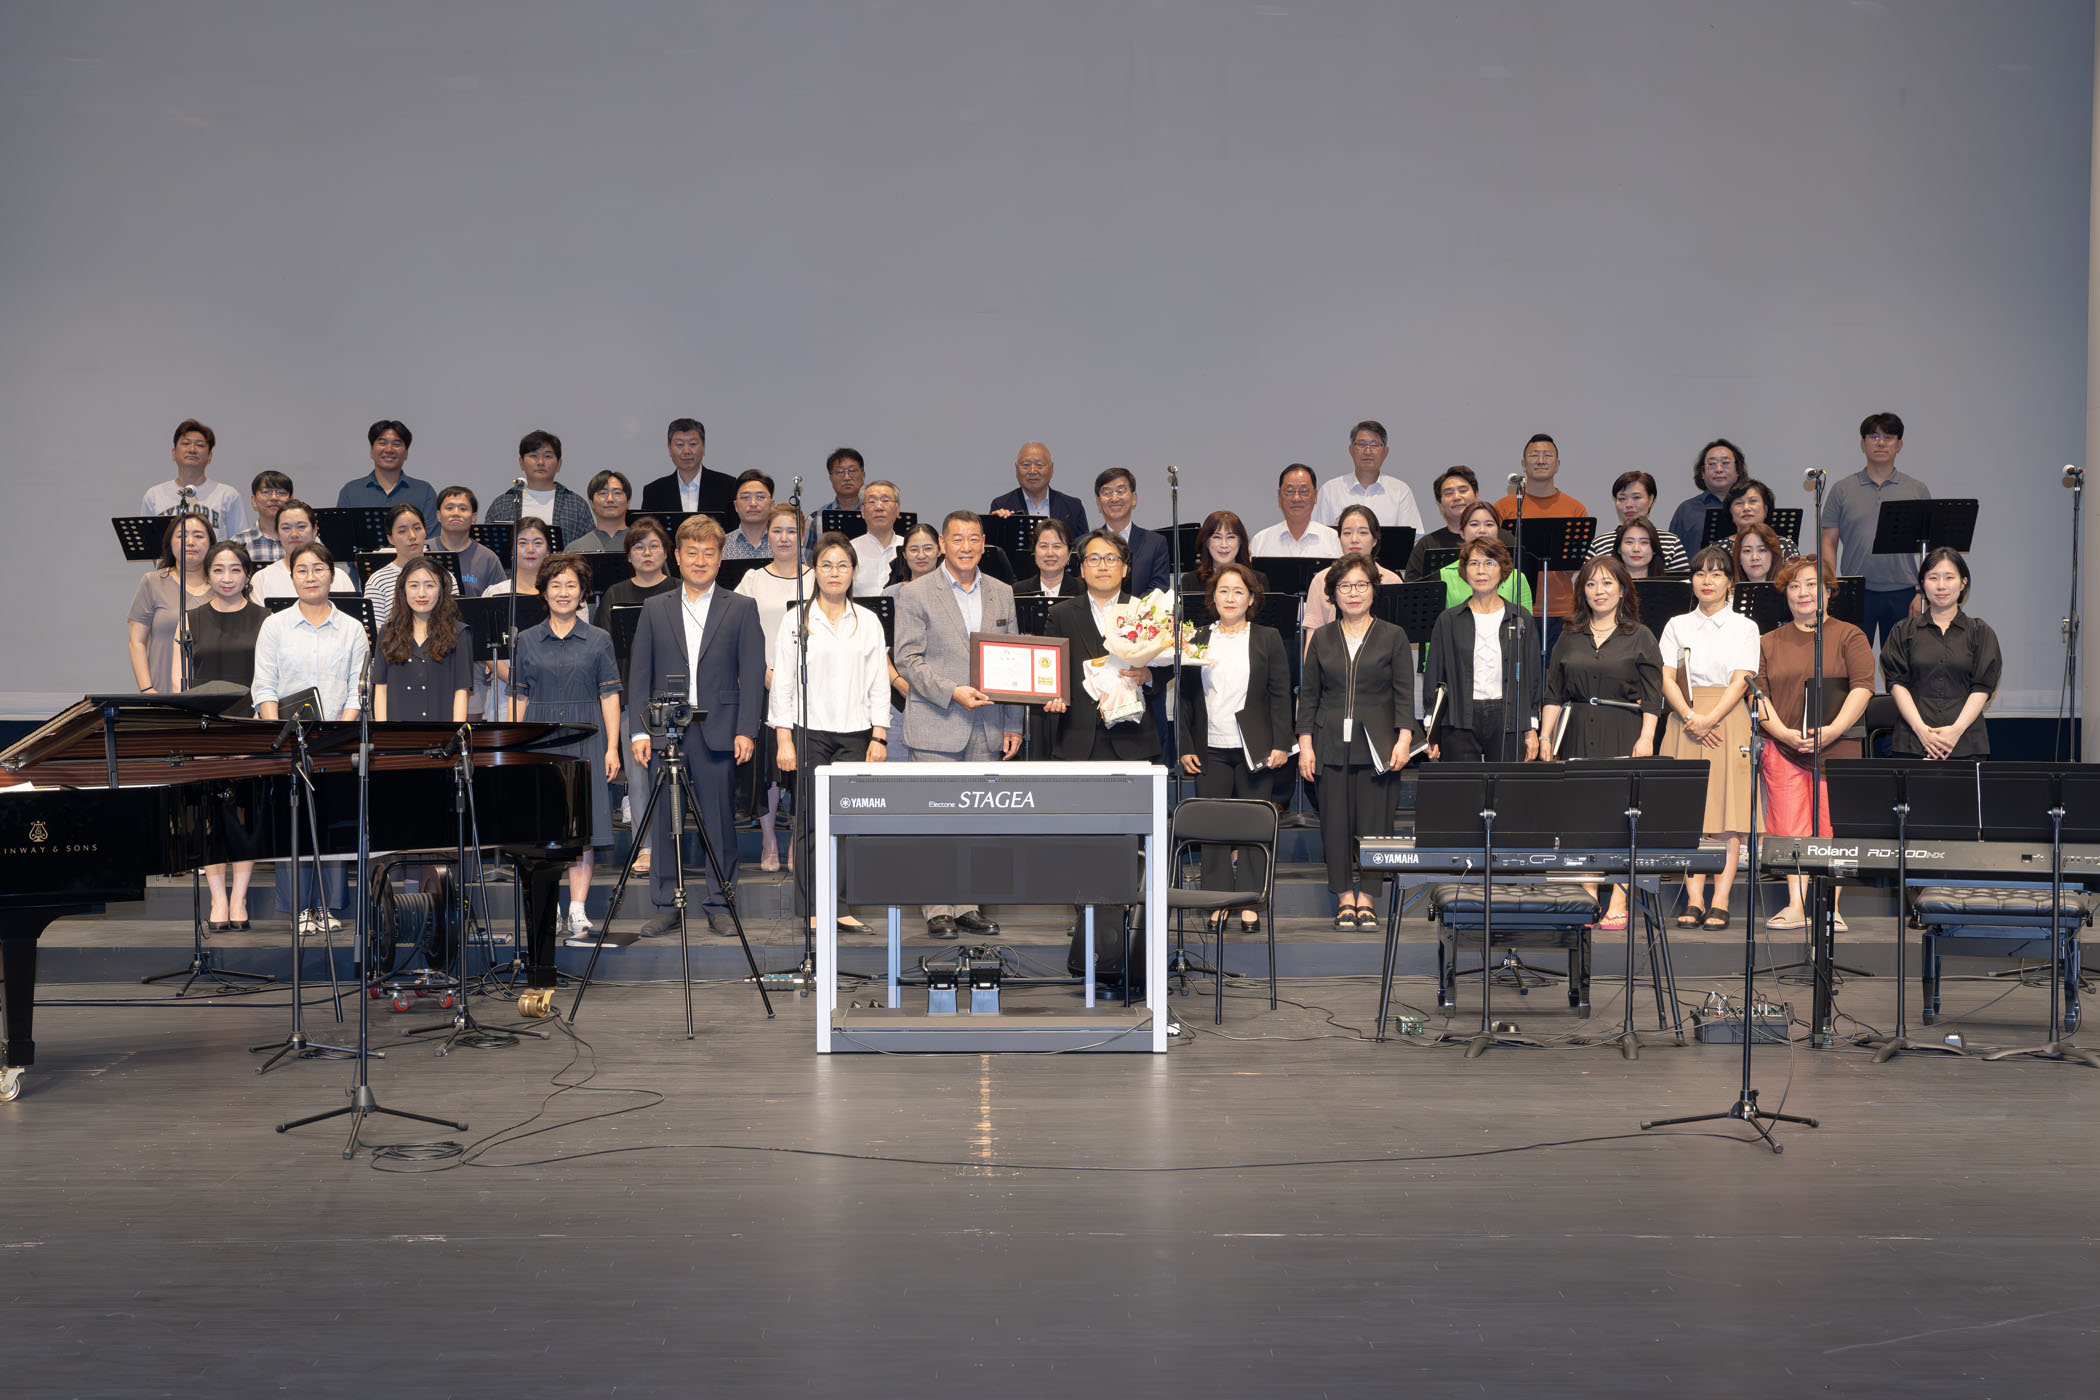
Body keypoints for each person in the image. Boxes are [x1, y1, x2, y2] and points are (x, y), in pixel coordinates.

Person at [627, 516, 766, 938]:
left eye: (709, 553)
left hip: (719, 729)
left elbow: (752, 672)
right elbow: (639, 673)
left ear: (721, 558)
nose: (700, 560)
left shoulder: (741, 607)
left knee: (719, 823)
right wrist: (639, 731)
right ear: (677, 556)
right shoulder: (655, 608)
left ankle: (720, 902)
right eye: (692, 552)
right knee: (666, 821)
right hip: (665, 731)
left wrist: (747, 730)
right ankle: (666, 903)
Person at [893, 510, 1023, 938]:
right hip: (936, 722)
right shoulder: (916, 593)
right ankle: (937, 909)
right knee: (935, 824)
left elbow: (1014, 661)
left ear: (984, 544)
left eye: (974, 539)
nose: (966, 547)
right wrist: (952, 691)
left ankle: (967, 905)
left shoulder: (1002, 592)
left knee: (976, 823)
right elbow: (907, 659)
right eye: (957, 539)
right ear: (943, 545)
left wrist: (1014, 723)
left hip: (987, 725)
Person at [772, 533, 890, 929]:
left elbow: (879, 682)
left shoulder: (868, 621)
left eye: (842, 565)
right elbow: (783, 682)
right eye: (826, 565)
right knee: (809, 823)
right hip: (810, 733)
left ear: (853, 571)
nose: (834, 572)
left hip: (856, 734)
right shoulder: (796, 620)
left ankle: (840, 907)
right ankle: (810, 910)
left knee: (847, 824)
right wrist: (784, 738)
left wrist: (879, 735)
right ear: (814, 571)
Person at [1539, 555, 1664, 928]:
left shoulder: (1640, 635)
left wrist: (1646, 738)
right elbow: (1553, 692)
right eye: (1591, 584)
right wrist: (1546, 737)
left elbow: (1653, 695)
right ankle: (1588, 895)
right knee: (1581, 817)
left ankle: (1620, 897)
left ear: (1623, 589)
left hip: (1623, 729)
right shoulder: (1569, 635)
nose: (1599, 591)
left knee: (1620, 817)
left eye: (1608, 583)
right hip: (1575, 730)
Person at [252, 542, 370, 931]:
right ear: (292, 578)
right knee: (293, 821)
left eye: (319, 568)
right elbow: (264, 685)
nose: (311, 576)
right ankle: (300, 908)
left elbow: (356, 689)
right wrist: (277, 735)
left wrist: (341, 731)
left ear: (332, 575)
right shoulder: (275, 626)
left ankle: (327, 907)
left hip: (335, 737)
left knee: (331, 821)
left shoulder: (352, 628)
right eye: (302, 570)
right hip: (288, 737)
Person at [1755, 557, 1876, 930]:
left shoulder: (1849, 635)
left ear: (1827, 591)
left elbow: (1863, 687)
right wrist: (1780, 732)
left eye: (1811, 584)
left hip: (1837, 747)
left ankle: (1829, 908)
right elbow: (1758, 695)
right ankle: (1795, 905)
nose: (1802, 593)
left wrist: (1834, 729)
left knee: (1830, 828)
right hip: (1785, 747)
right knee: (1789, 829)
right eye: (1794, 586)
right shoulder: (1768, 642)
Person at [1296, 554, 1416, 928]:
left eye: (1361, 585)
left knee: (1376, 824)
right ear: (1333, 593)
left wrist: (1405, 738)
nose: (1353, 592)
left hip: (1379, 744)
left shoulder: (1393, 635)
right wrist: (1305, 744)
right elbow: (1309, 695)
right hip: (1328, 741)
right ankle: (1344, 897)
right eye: (1345, 586)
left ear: (1373, 590)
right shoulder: (1322, 638)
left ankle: (1368, 898)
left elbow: (1404, 693)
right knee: (1334, 825)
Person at [511, 554, 622, 944]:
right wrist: (514, 747)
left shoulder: (599, 639)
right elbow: (519, 698)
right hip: (540, 740)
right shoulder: (526, 639)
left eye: (571, 585)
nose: (563, 592)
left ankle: (577, 907)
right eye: (555, 585)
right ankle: (550, 906)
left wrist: (612, 747)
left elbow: (610, 696)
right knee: (546, 828)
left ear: (582, 593)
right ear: (543, 592)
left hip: (586, 737)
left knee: (582, 829)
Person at [1178, 562, 1291, 932]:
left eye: (1238, 591)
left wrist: (1281, 743)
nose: (1230, 598)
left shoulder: (1267, 637)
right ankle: (1217, 900)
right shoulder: (1196, 638)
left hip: (1255, 746)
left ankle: (1250, 901)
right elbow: (1185, 697)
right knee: (1213, 827)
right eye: (1223, 590)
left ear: (1251, 599)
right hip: (1209, 745)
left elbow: (1280, 694)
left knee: (1253, 826)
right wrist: (1185, 745)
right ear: (1212, 597)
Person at [1657, 547, 1760, 929]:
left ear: (1730, 581)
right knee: (1691, 814)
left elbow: (1741, 680)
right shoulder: (1677, 624)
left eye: (1716, 573)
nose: (1707, 580)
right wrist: (1690, 717)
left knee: (1728, 814)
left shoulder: (1744, 627)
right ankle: (1694, 898)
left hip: (1727, 718)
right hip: (1684, 716)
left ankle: (1721, 898)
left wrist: (1710, 718)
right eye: (1700, 573)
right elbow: (1666, 677)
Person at [188, 540, 270, 930]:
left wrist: (258, 716)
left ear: (247, 574)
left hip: (248, 724)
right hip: (204, 727)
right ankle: (217, 898)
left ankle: (239, 897)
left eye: (235, 569)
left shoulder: (265, 618)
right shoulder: (190, 619)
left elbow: (270, 674)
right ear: (208, 574)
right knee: (210, 815)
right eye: (218, 570)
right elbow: (179, 679)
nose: (227, 577)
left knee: (243, 813)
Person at [736, 504, 816, 872]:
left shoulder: (817, 578)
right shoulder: (753, 579)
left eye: (792, 531)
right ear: (767, 535)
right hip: (764, 684)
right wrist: (762, 672)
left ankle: (797, 841)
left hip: (810, 687)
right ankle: (769, 840)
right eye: (777, 531)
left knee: (802, 767)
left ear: (803, 535)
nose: (784, 538)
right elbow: (735, 632)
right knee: (767, 768)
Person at [594, 517, 678, 866]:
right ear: (628, 555)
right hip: (632, 693)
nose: (647, 553)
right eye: (639, 547)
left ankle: (673, 844)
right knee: (639, 775)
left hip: (676, 696)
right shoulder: (615, 594)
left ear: (666, 553)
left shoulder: (680, 588)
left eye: (654, 546)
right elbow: (603, 648)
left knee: (676, 773)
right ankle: (644, 846)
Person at [1422, 537, 1542, 763]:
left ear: (1502, 569)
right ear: (1464, 570)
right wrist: (1431, 725)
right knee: (1462, 784)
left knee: (1507, 783)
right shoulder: (1449, 619)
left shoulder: (1520, 618)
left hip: (1508, 716)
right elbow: (1435, 674)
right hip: (1459, 716)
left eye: (1490, 563)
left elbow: (1532, 675)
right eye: (1474, 563)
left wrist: (1531, 727)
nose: (1481, 571)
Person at [1822, 412, 1932, 653]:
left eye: (1888, 437)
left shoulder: (1916, 489)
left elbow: (1929, 548)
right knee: (1850, 663)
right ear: (1863, 444)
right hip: (1855, 591)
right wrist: (1830, 586)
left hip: (1904, 591)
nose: (1881, 443)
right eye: (1874, 437)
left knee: (1902, 663)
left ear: (1899, 445)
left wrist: (1922, 592)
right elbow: (1828, 543)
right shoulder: (1842, 490)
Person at [1882, 547, 2002, 760]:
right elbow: (1897, 683)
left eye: (1949, 577)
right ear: (1922, 584)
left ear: (1963, 583)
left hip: (1966, 744)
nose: (1941, 586)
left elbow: (1982, 687)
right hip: (1912, 743)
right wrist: (1922, 731)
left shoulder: (1981, 632)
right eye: (1933, 578)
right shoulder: (1903, 631)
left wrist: (1956, 731)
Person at [1492, 434, 1591, 647]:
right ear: (1523, 464)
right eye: (1534, 455)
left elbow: (1575, 563)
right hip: (1514, 605)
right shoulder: (1503, 508)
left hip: (1562, 608)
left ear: (1557, 465)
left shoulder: (1575, 508)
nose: (1540, 461)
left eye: (1547, 455)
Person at [373, 556, 472, 724]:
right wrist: (384, 733)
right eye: (413, 585)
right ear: (403, 589)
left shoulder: (460, 633)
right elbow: (381, 688)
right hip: (396, 733)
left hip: (441, 733)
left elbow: (461, 692)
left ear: (442, 590)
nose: (421, 593)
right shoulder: (387, 632)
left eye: (430, 585)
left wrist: (455, 734)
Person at [127, 513, 216, 695]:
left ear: (211, 543)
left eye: (198, 536)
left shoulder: (222, 587)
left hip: (211, 695)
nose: (190, 542)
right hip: (161, 692)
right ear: (169, 542)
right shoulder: (153, 582)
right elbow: (136, 641)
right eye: (182, 536)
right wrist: (147, 688)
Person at [881, 521, 945, 757]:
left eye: (928, 548)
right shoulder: (890, 595)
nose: (921, 555)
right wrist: (899, 683)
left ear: (939, 550)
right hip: (897, 699)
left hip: (940, 699)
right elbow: (880, 650)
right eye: (914, 549)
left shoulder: (953, 593)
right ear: (904, 554)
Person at [481, 517, 552, 721]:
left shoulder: (561, 593)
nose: (530, 549)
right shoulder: (495, 593)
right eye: (522, 543)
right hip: (506, 692)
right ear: (512, 551)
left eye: (537, 543)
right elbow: (486, 647)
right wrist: (513, 679)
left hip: (553, 690)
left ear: (548, 551)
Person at [1303, 505, 1402, 634]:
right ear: (1339, 538)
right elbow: (1312, 637)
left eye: (1363, 533)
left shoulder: (1392, 581)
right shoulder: (1321, 580)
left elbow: (1400, 637)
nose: (1354, 540)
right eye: (1347, 533)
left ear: (1374, 540)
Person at [142, 419, 249, 537]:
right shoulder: (154, 496)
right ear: (174, 453)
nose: (192, 449)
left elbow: (240, 543)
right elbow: (147, 542)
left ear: (209, 456)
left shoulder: (228, 496)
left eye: (200, 445)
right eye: (185, 444)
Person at [1313, 420, 1424, 532]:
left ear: (1385, 452)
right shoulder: (1329, 491)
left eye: (1374, 445)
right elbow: (1319, 535)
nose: (1367, 451)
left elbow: (1411, 538)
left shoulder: (1401, 491)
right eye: (1361, 444)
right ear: (1351, 449)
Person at [488, 430, 594, 545]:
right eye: (533, 456)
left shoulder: (576, 505)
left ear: (559, 464)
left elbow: (588, 547)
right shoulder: (502, 504)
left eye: (547, 456)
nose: (540, 462)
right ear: (521, 462)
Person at [336, 420, 438, 529]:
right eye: (382, 443)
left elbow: (430, 536)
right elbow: (341, 533)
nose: (389, 449)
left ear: (406, 453)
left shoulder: (424, 492)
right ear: (371, 450)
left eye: (396, 444)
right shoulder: (351, 492)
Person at [250, 500, 358, 599]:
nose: (294, 534)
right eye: (286, 528)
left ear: (315, 530)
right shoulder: (262, 579)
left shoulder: (339, 578)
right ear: (278, 533)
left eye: (301, 526)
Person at [1587, 472, 1690, 573]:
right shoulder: (1599, 544)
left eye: (1636, 497)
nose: (1629, 504)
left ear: (1651, 499)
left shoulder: (1671, 543)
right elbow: (1587, 581)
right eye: (1622, 498)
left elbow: (1682, 583)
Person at [1437, 502, 1533, 610]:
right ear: (1462, 532)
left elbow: (1525, 619)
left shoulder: (1516, 577)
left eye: (1489, 524)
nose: (1482, 530)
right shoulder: (1444, 576)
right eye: (1474, 524)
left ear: (1498, 532)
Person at [1092, 467, 1171, 595]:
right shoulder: (1086, 543)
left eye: (1120, 491)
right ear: (1098, 502)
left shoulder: (1155, 543)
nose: (1114, 498)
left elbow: (1159, 590)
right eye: (1107, 493)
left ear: (1134, 498)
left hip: (1141, 608)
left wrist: (1131, 607)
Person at [989, 441, 1090, 539]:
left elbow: (1083, 546)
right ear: (1016, 469)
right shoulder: (1001, 505)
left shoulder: (1073, 507)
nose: (1032, 471)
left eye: (1039, 465)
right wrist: (997, 524)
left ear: (1051, 469)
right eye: (1026, 465)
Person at [639, 418, 736, 516]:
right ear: (669, 449)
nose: (687, 451)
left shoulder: (727, 486)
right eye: (680, 445)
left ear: (703, 447)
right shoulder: (654, 491)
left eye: (693, 444)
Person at [1667, 438, 1748, 549]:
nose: (1719, 469)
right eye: (1712, 464)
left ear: (1738, 470)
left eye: (1725, 463)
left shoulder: (1749, 508)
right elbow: (1671, 553)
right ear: (1702, 473)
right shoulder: (1687, 510)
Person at [429, 486, 509, 596]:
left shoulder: (488, 559)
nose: (455, 513)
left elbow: (501, 600)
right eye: (449, 508)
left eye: (463, 509)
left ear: (474, 517)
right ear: (439, 515)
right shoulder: (423, 550)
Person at [1250, 464, 1343, 558]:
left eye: (1304, 491)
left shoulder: (1335, 541)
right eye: (1289, 491)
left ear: (1315, 496)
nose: (1296, 498)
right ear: (1279, 496)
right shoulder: (1260, 542)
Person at [1405, 466, 1480, 578]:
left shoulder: (1500, 538)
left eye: (1463, 491)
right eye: (1449, 493)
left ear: (1476, 496)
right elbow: (1412, 587)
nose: (1457, 497)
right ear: (1440, 504)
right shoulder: (1427, 545)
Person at [363, 502, 428, 629]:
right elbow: (376, 631)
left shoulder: (444, 576)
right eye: (402, 531)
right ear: (390, 538)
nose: (412, 536)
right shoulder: (378, 580)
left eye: (417, 528)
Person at [1179, 510, 1267, 601]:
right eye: (1217, 537)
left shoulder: (1258, 580)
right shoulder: (1189, 581)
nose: (1224, 545)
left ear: (1240, 542)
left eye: (1230, 537)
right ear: (1206, 542)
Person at [1713, 478, 1799, 559]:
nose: (1746, 508)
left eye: (1752, 501)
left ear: (1766, 509)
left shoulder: (1785, 546)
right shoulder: (1718, 550)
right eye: (1739, 503)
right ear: (1730, 512)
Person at [849, 479, 905, 595]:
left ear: (897, 509)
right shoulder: (849, 550)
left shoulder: (909, 548)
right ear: (862, 510)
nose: (879, 507)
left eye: (885, 500)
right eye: (872, 501)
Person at [230, 470, 294, 567]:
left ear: (290, 500)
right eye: (266, 492)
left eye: (281, 493)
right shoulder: (238, 542)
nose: (274, 498)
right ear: (254, 501)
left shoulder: (303, 540)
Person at [566, 470, 634, 554]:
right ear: (591, 503)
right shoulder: (574, 550)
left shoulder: (641, 543)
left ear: (628, 501)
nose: (610, 499)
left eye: (617, 493)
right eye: (603, 493)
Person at [1012, 516, 1074, 598]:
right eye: (1044, 546)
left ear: (1069, 553)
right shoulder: (1017, 592)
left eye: (1057, 546)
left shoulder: (1084, 591)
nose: (1050, 553)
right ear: (1034, 551)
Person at [723, 470, 775, 560]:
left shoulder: (786, 545)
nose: (753, 504)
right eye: (746, 497)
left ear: (771, 504)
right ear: (736, 506)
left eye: (760, 497)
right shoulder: (721, 546)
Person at [1611, 516, 1672, 580]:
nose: (1636, 549)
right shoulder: (1606, 585)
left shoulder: (1669, 585)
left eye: (1644, 542)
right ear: (1619, 548)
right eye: (1629, 542)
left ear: (1654, 548)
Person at [1732, 522, 1784, 586]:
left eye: (1762, 550)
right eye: (1747, 551)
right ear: (1738, 557)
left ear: (1773, 555)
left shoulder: (1789, 589)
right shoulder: (1727, 590)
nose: (1755, 557)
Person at [819, 448, 866, 515]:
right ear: (831, 478)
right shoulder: (818, 517)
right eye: (840, 472)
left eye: (852, 470)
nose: (846, 478)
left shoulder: (877, 513)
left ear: (863, 475)